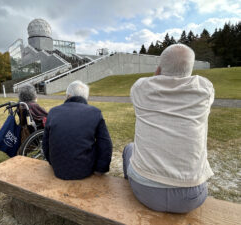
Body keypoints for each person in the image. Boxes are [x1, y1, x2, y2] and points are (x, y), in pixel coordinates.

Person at [123, 44, 214, 213]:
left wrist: (157, 77)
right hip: (191, 196)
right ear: (190, 70)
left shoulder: (139, 88)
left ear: (158, 69)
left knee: (129, 148)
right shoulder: (205, 88)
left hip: (146, 191)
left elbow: (151, 83)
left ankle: (127, 186)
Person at [42, 80, 112, 180]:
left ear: (68, 96)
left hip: (58, 168)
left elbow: (45, 143)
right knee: (100, 142)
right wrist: (101, 169)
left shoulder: (53, 111)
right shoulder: (95, 112)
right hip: (85, 170)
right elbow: (106, 144)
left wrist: (51, 162)